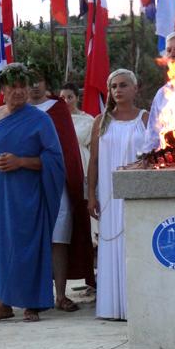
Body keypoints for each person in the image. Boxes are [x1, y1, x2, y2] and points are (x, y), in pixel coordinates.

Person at [0, 64, 65, 323]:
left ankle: (32, 304)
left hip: (29, 195)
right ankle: (3, 303)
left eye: (23, 86)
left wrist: (21, 162)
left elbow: (54, 160)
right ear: (2, 89)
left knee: (29, 245)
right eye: (13, 86)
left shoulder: (41, 119)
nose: (19, 91)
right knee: (1, 245)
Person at [27, 63, 93, 313]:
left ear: (47, 83)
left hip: (57, 183)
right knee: (31, 239)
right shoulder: (17, 109)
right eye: (30, 80)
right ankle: (34, 295)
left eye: (39, 80)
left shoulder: (58, 109)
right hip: (27, 183)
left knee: (59, 237)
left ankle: (61, 294)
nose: (34, 85)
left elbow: (69, 151)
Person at [88, 69, 148, 320]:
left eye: (123, 85)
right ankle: (113, 306)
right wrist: (91, 194)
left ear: (135, 89)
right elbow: (94, 161)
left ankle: (139, 304)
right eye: (114, 87)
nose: (118, 90)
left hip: (138, 193)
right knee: (112, 243)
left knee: (137, 246)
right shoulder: (101, 121)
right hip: (110, 194)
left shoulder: (146, 118)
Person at [59, 82, 97, 250]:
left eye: (69, 97)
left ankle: (89, 241)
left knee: (82, 201)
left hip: (82, 164)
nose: (66, 100)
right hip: (61, 166)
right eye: (62, 97)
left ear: (77, 98)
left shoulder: (88, 120)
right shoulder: (54, 119)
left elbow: (93, 148)